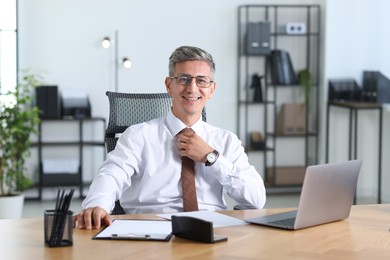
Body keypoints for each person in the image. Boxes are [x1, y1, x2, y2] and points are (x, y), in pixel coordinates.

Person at [73, 46, 266, 229]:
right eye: (183, 79)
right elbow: (112, 174)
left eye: (201, 80)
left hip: (212, 231)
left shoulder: (226, 141)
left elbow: (256, 200)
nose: (192, 88)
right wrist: (97, 205)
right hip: (151, 230)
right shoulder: (139, 135)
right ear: (169, 85)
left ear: (211, 89)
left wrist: (212, 158)